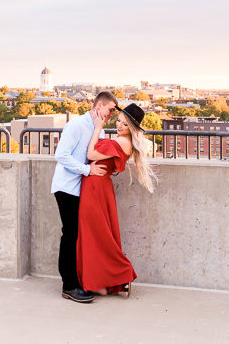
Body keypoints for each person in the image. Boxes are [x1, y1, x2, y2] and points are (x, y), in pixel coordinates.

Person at [76, 103, 157, 298]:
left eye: (125, 124)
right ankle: (101, 282)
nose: (119, 126)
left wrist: (97, 127)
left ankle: (123, 273)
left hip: (95, 187)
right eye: (119, 121)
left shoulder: (121, 142)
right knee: (99, 235)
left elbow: (90, 154)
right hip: (99, 186)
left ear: (133, 129)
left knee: (94, 235)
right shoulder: (123, 142)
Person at [51, 91, 118, 303]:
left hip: (83, 190)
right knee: (70, 235)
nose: (110, 116)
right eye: (109, 111)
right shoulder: (77, 125)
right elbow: (61, 155)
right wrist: (87, 171)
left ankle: (82, 281)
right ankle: (69, 286)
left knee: (81, 237)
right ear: (98, 106)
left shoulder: (99, 130)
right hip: (67, 188)